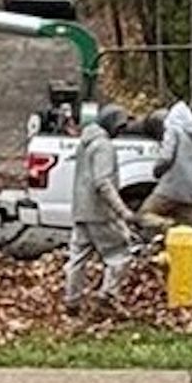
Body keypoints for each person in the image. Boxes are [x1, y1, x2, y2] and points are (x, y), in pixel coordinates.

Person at [64, 100, 140, 315]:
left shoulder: (85, 142)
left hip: (81, 210)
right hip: (100, 213)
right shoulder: (104, 146)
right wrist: (123, 211)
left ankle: (72, 301)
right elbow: (103, 183)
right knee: (120, 254)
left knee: (77, 257)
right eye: (120, 126)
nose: (121, 131)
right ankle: (107, 296)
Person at [136, 97, 192, 248]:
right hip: (190, 196)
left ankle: (168, 225)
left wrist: (157, 172)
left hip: (169, 191)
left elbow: (166, 157)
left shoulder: (174, 131)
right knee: (188, 235)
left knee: (143, 215)